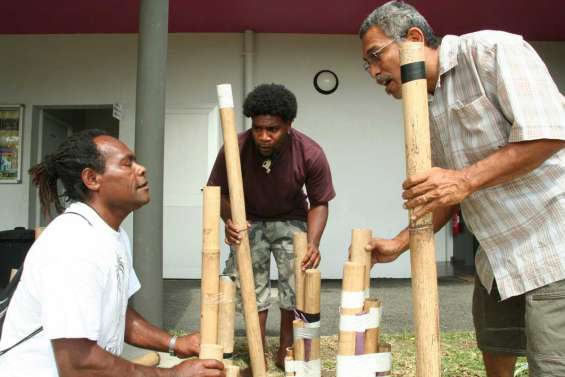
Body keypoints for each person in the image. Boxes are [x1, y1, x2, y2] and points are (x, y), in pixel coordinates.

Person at [358, 2, 565, 377]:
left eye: (375, 56)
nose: (373, 72)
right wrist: (399, 243)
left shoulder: (491, 51)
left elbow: (550, 133)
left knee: (552, 367)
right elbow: (444, 195)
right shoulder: (427, 104)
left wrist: (463, 180)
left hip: (551, 246)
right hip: (496, 259)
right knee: (496, 352)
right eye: (367, 65)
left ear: (414, 40)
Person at [0, 129, 224, 377]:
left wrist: (174, 343)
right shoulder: (73, 244)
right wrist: (173, 374)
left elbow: (118, 314)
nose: (141, 169)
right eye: (127, 163)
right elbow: (78, 364)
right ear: (92, 179)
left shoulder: (112, 234)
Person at [208, 83, 335, 368]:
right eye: (257, 129)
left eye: (272, 130)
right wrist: (230, 219)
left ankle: (286, 346)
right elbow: (218, 192)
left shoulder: (310, 152)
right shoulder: (235, 148)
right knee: (252, 288)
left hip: (292, 220)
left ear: (289, 125)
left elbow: (320, 202)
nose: (263, 136)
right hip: (249, 221)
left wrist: (313, 242)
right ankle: (258, 349)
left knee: (294, 284)